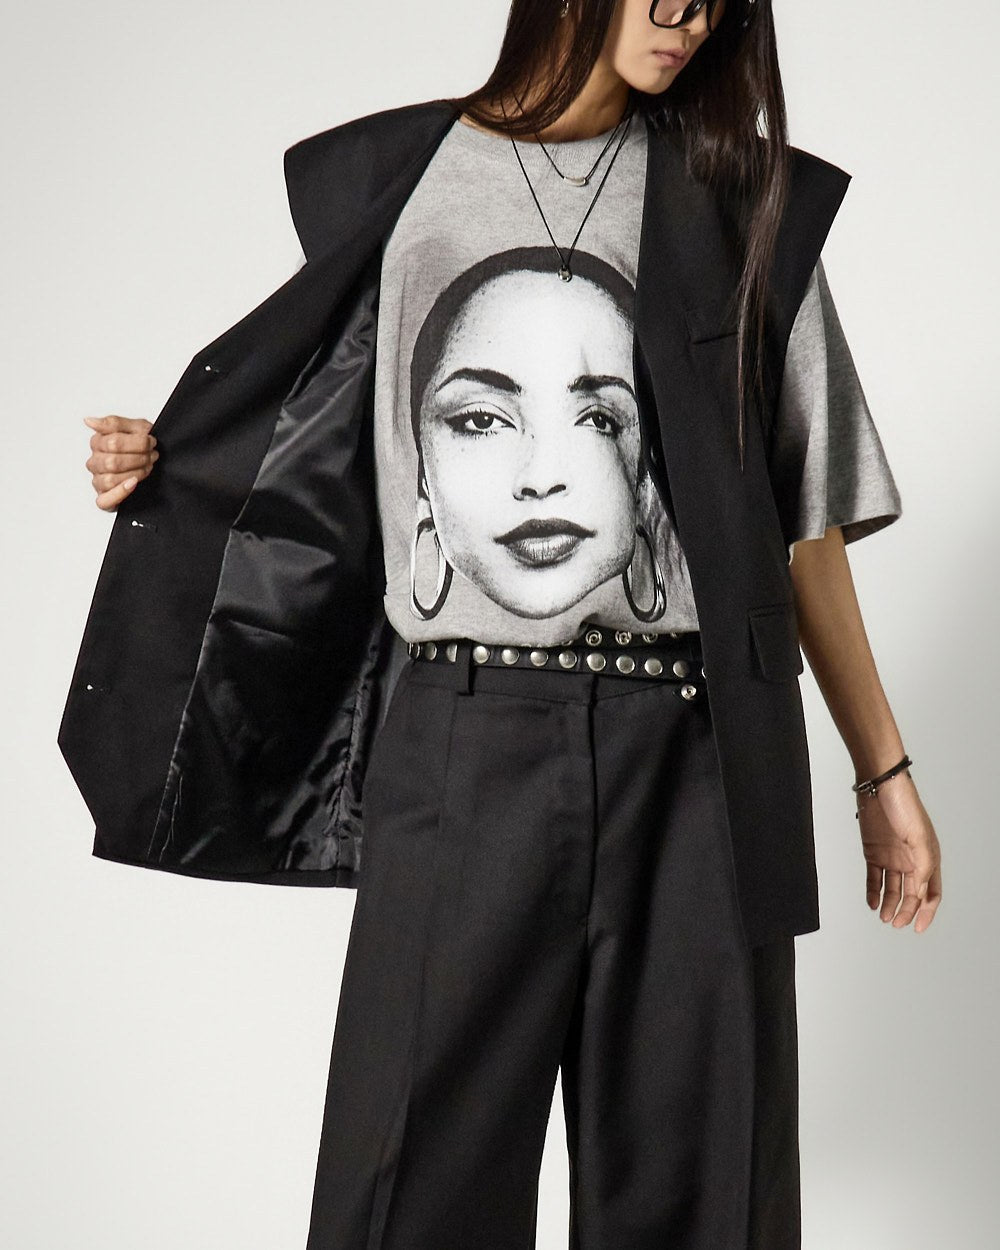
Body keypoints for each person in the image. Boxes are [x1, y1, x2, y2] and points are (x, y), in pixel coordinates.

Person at [72, 1, 943, 1246]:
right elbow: (309, 433)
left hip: (695, 757)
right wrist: (167, 465)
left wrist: (882, 771)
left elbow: (804, 528)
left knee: (706, 1198)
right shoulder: (397, 181)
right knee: (407, 1189)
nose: (690, 19)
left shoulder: (744, 203)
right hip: (459, 744)